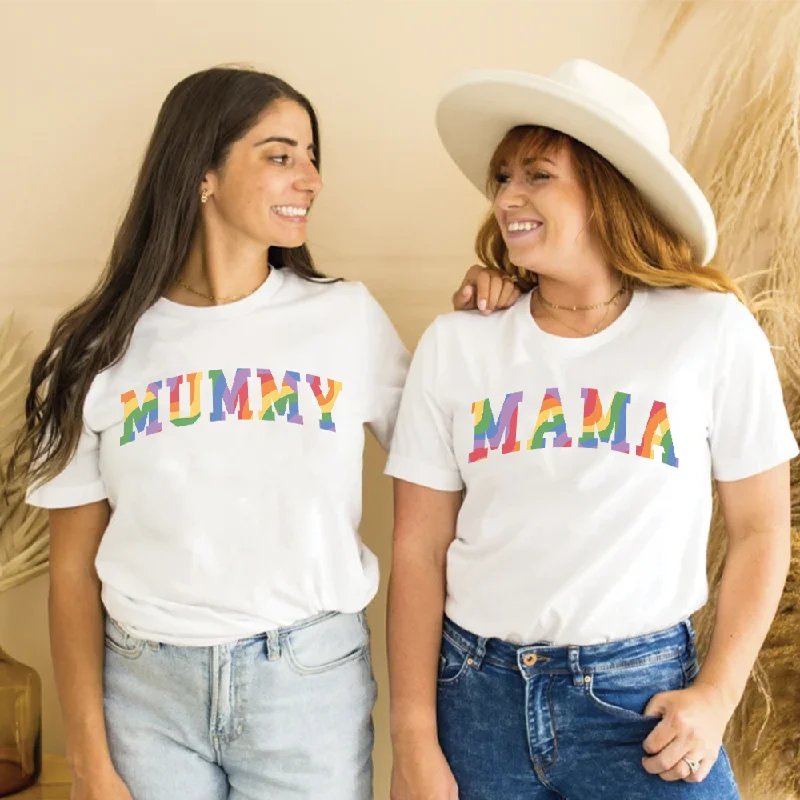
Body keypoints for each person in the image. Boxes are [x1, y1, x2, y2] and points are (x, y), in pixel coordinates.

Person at [9, 66, 517, 800]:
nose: (309, 178)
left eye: (312, 157)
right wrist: (89, 759)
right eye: (281, 156)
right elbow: (70, 572)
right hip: (146, 695)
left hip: (307, 684)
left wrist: (496, 317)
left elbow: (468, 460)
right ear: (203, 172)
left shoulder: (345, 319)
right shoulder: (94, 350)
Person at [386, 59, 798, 799]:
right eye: (504, 176)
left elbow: (763, 530)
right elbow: (418, 551)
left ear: (608, 190)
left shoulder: (709, 331)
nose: (507, 195)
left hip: (642, 707)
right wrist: (414, 737)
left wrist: (718, 695)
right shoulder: (460, 343)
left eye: (537, 175)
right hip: (478, 703)